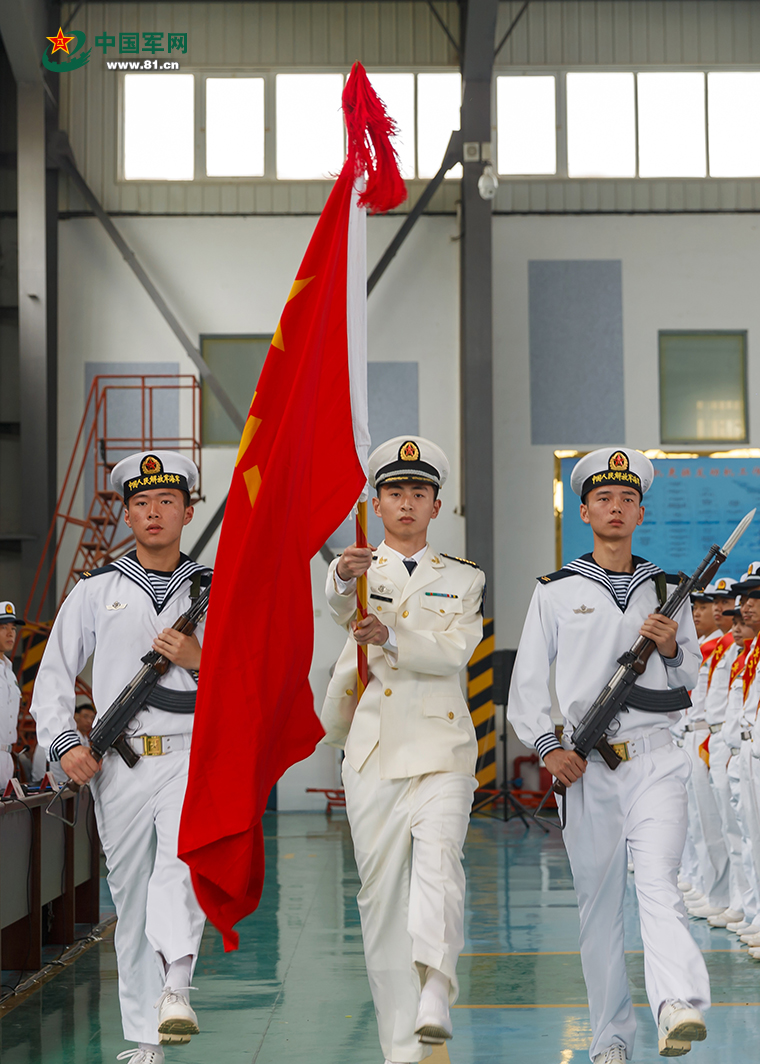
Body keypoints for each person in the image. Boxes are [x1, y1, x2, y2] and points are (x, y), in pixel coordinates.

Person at [508, 447, 709, 1063]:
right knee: (598, 911)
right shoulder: (555, 591)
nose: (615, 508)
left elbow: (691, 679)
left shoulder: (669, 590)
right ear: (584, 511)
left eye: (627, 499)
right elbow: (525, 686)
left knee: (659, 884)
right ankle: (611, 1040)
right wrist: (549, 749)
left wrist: (671, 648)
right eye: (603, 499)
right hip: (587, 770)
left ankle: (676, 1005)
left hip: (655, 760)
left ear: (641, 513)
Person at [31, 452, 211, 1064]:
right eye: (140, 503)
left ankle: (177, 984)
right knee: (130, 898)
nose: (153, 512)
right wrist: (66, 745)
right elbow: (54, 676)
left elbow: (249, 675)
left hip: (191, 754)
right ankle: (145, 1040)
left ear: (187, 512)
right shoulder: (95, 590)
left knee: (180, 867)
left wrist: (199, 659)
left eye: (166, 501)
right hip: (121, 764)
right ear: (127, 515)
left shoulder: (216, 588)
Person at [320, 436, 485, 1064]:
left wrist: (390, 635)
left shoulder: (464, 578)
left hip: (442, 745)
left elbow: (453, 651)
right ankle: (402, 1049)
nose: (407, 502)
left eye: (419, 492)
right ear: (378, 503)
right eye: (394, 492)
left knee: (440, 863)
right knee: (381, 897)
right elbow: (337, 605)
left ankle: (437, 988)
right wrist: (342, 574)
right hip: (373, 749)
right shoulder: (361, 570)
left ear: (436, 505)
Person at [0, 600, 23, 792]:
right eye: (3, 628)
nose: (10, 633)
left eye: (13, 629)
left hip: (7, 756)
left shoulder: (10, 673)